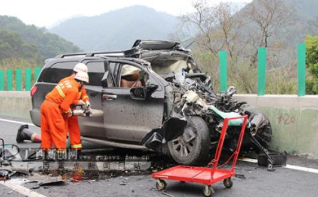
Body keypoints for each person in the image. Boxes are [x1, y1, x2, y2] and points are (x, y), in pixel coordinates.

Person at [40, 71, 89, 160]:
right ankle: (61, 157)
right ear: (81, 82)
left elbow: (63, 98)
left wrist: (79, 102)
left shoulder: (67, 82)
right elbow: (64, 107)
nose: (83, 85)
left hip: (45, 104)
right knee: (60, 131)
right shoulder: (74, 89)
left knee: (46, 131)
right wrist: (73, 113)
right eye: (84, 83)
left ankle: (46, 155)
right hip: (53, 108)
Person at [63, 63, 90, 153]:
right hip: (64, 111)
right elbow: (64, 100)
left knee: (75, 131)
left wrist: (86, 101)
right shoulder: (67, 82)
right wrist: (77, 102)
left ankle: (76, 150)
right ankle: (60, 151)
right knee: (62, 131)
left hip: (72, 110)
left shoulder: (79, 82)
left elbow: (83, 93)